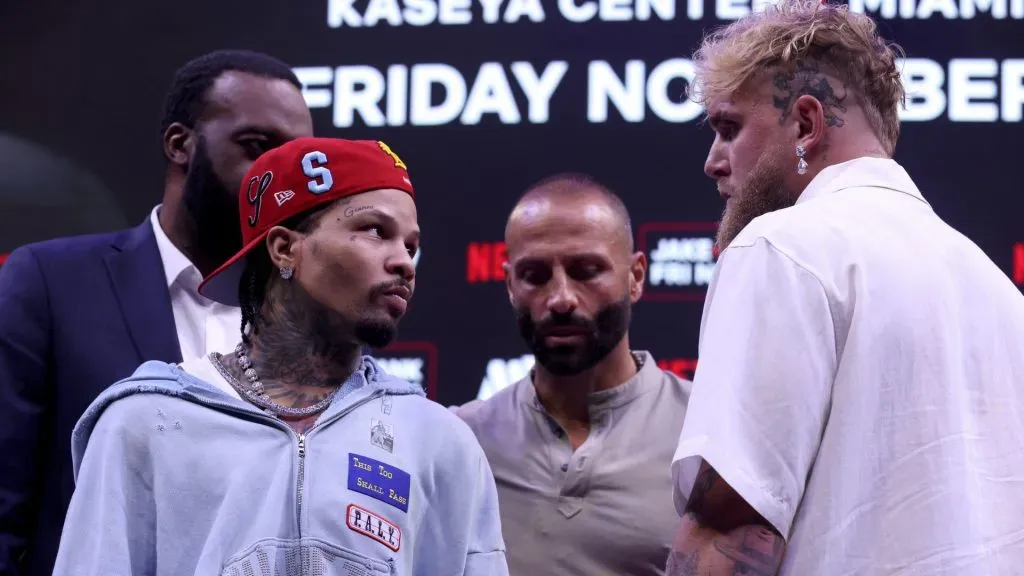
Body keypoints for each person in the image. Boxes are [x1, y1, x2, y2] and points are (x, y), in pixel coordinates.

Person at [666, 1, 1024, 574]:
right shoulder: (1002, 292)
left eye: (729, 128)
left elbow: (727, 529)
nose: (714, 161)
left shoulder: (780, 249)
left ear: (806, 124)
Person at [52, 137, 508, 576]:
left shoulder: (437, 441)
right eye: (375, 231)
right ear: (285, 248)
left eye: (410, 245)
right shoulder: (147, 421)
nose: (405, 262)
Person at [0, 49, 314, 576]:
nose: (277, 180)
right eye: (257, 148)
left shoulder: (312, 317)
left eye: (294, 161)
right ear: (180, 145)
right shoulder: (52, 284)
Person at [456, 174, 692, 575]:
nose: (561, 298)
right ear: (510, 285)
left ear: (635, 277)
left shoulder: (706, 432)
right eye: (535, 275)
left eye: (586, 271)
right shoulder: (462, 441)